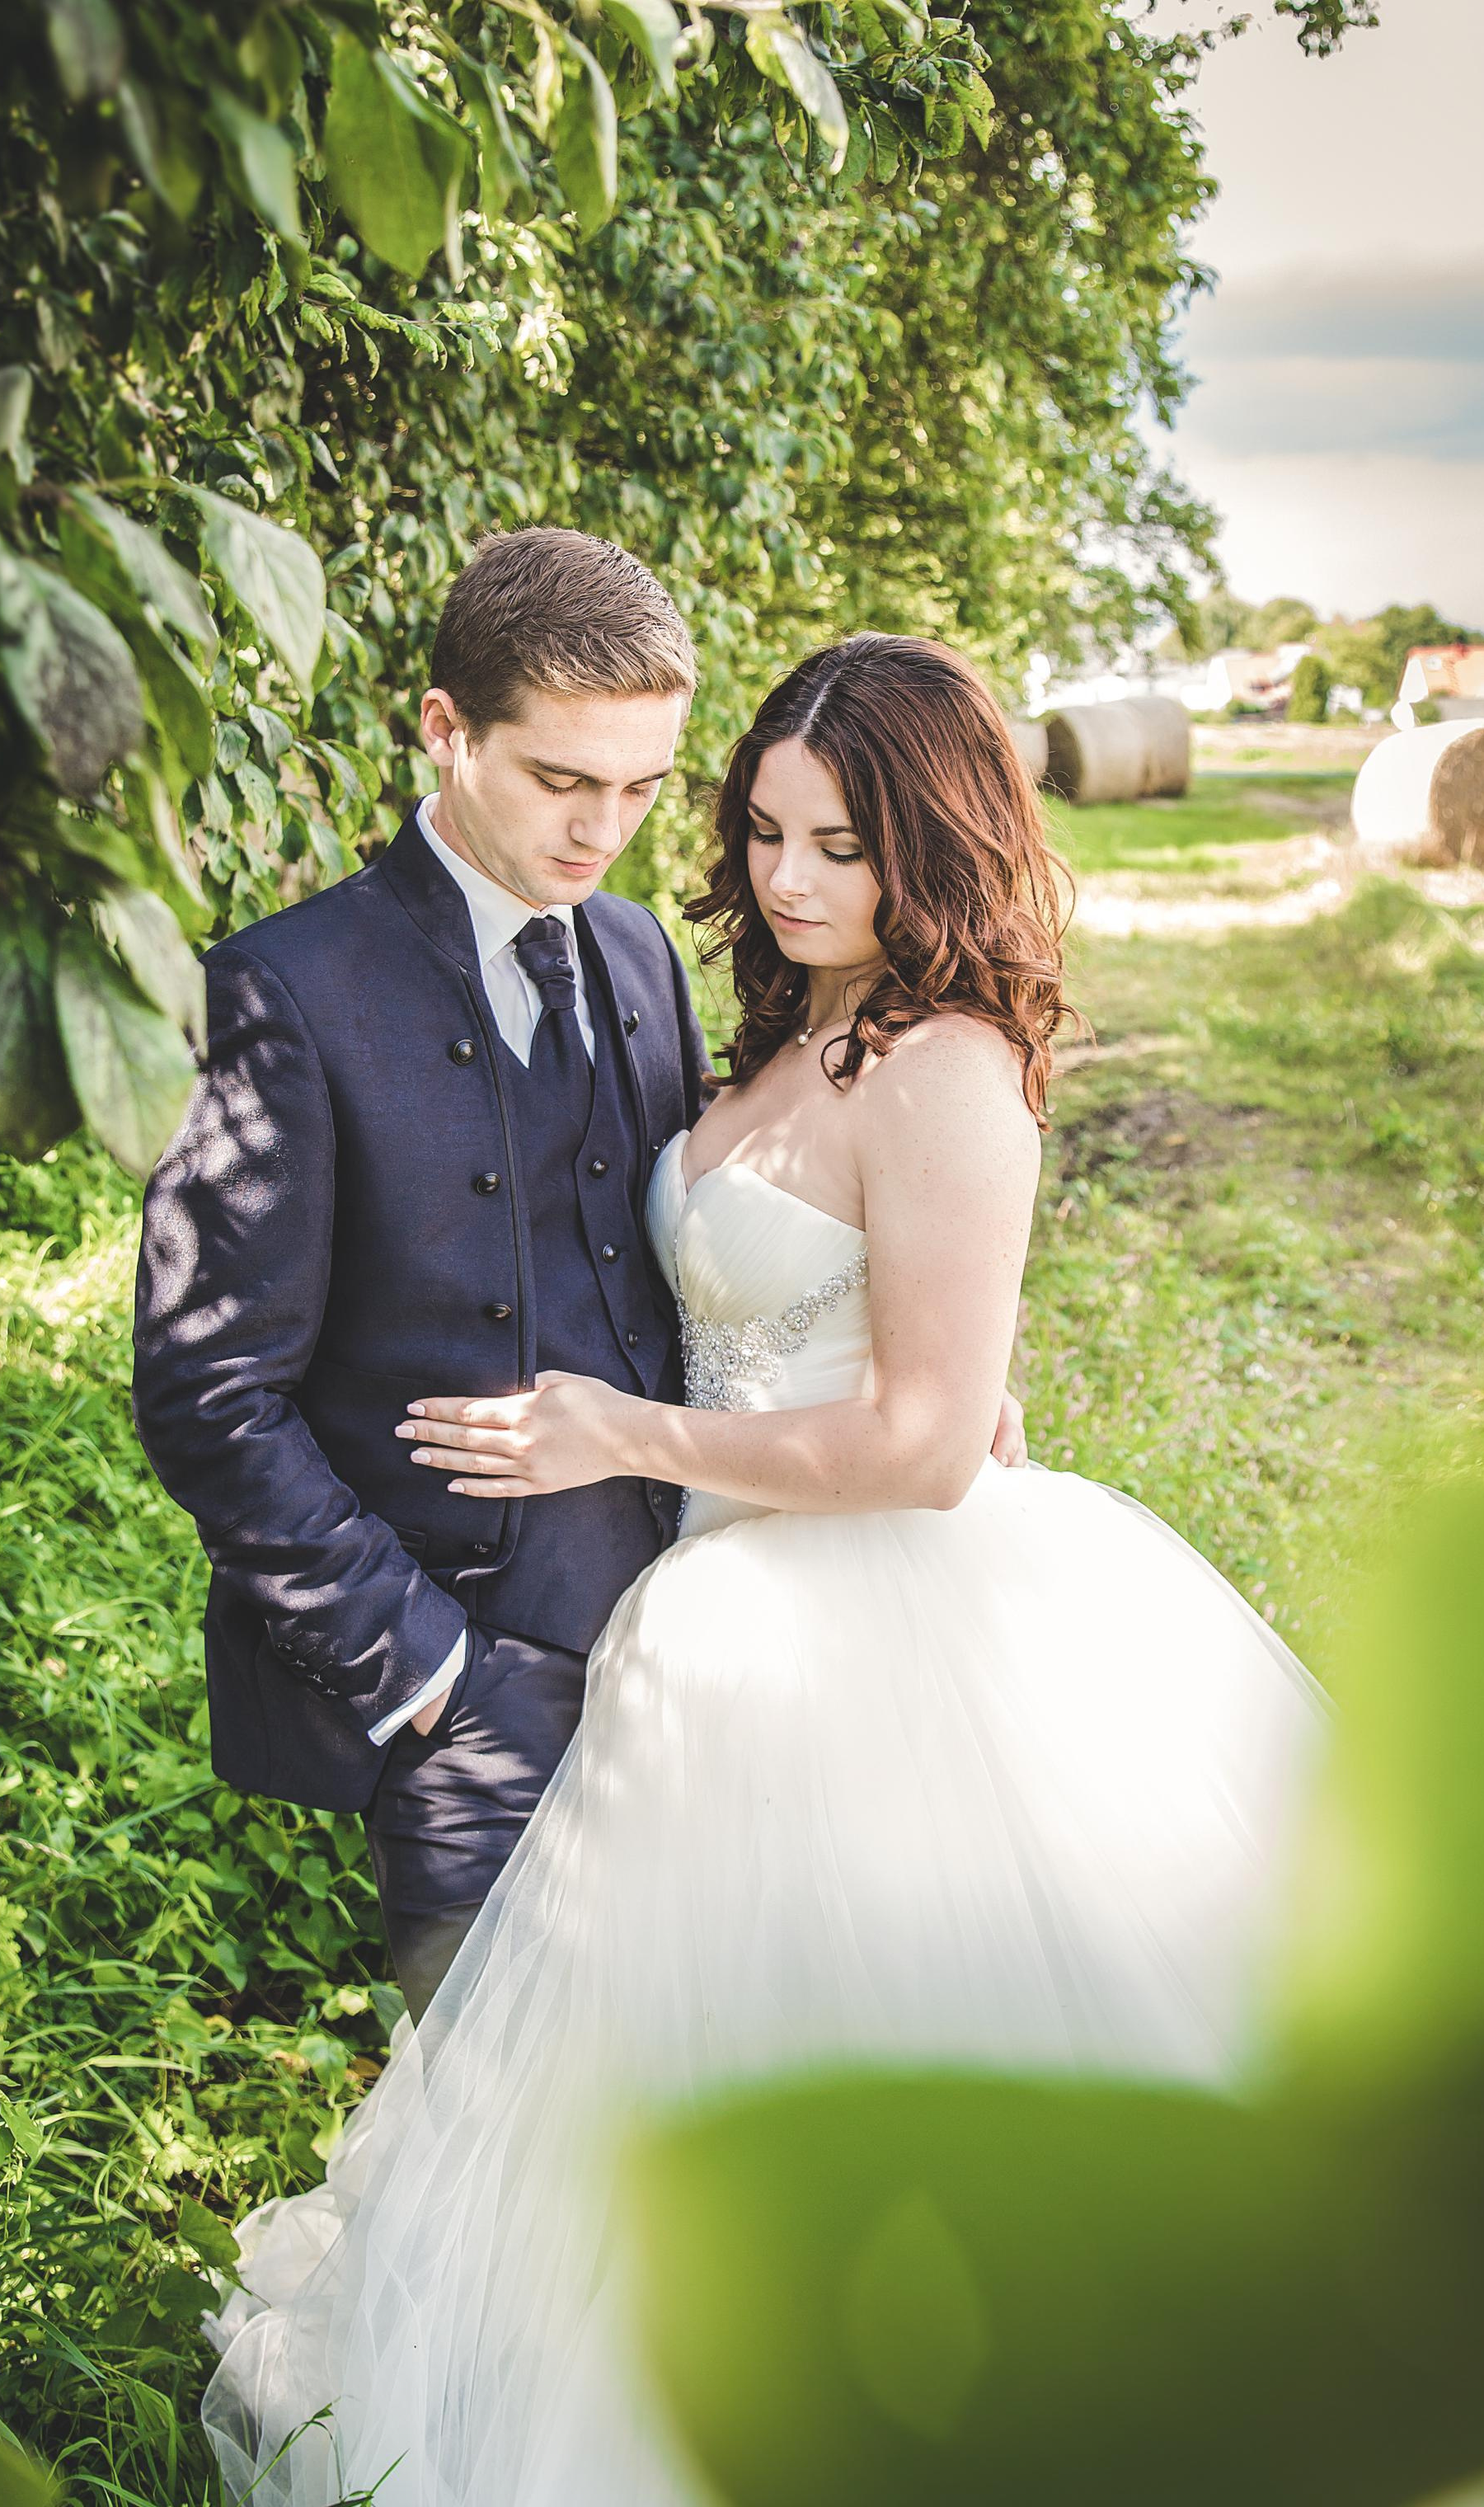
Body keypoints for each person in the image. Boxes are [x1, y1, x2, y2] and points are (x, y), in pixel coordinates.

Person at [202, 630, 1324, 2507]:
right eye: (769, 833)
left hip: (873, 1617)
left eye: (841, 848)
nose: (789, 881)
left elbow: (917, 1438)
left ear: (935, 847)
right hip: (707, 1620)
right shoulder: (797, 1024)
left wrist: (621, 1437)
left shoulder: (950, 1067)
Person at [134, 527, 1029, 2024]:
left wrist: (932, 1343)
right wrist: (423, 1672)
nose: (601, 831)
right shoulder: (282, 990)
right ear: (445, 730)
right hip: (466, 1677)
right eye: (562, 781)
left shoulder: (633, 955)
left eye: (642, 787)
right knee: (499, 2125)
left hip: (708, 1634)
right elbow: (204, 1386)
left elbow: (720, 1235)